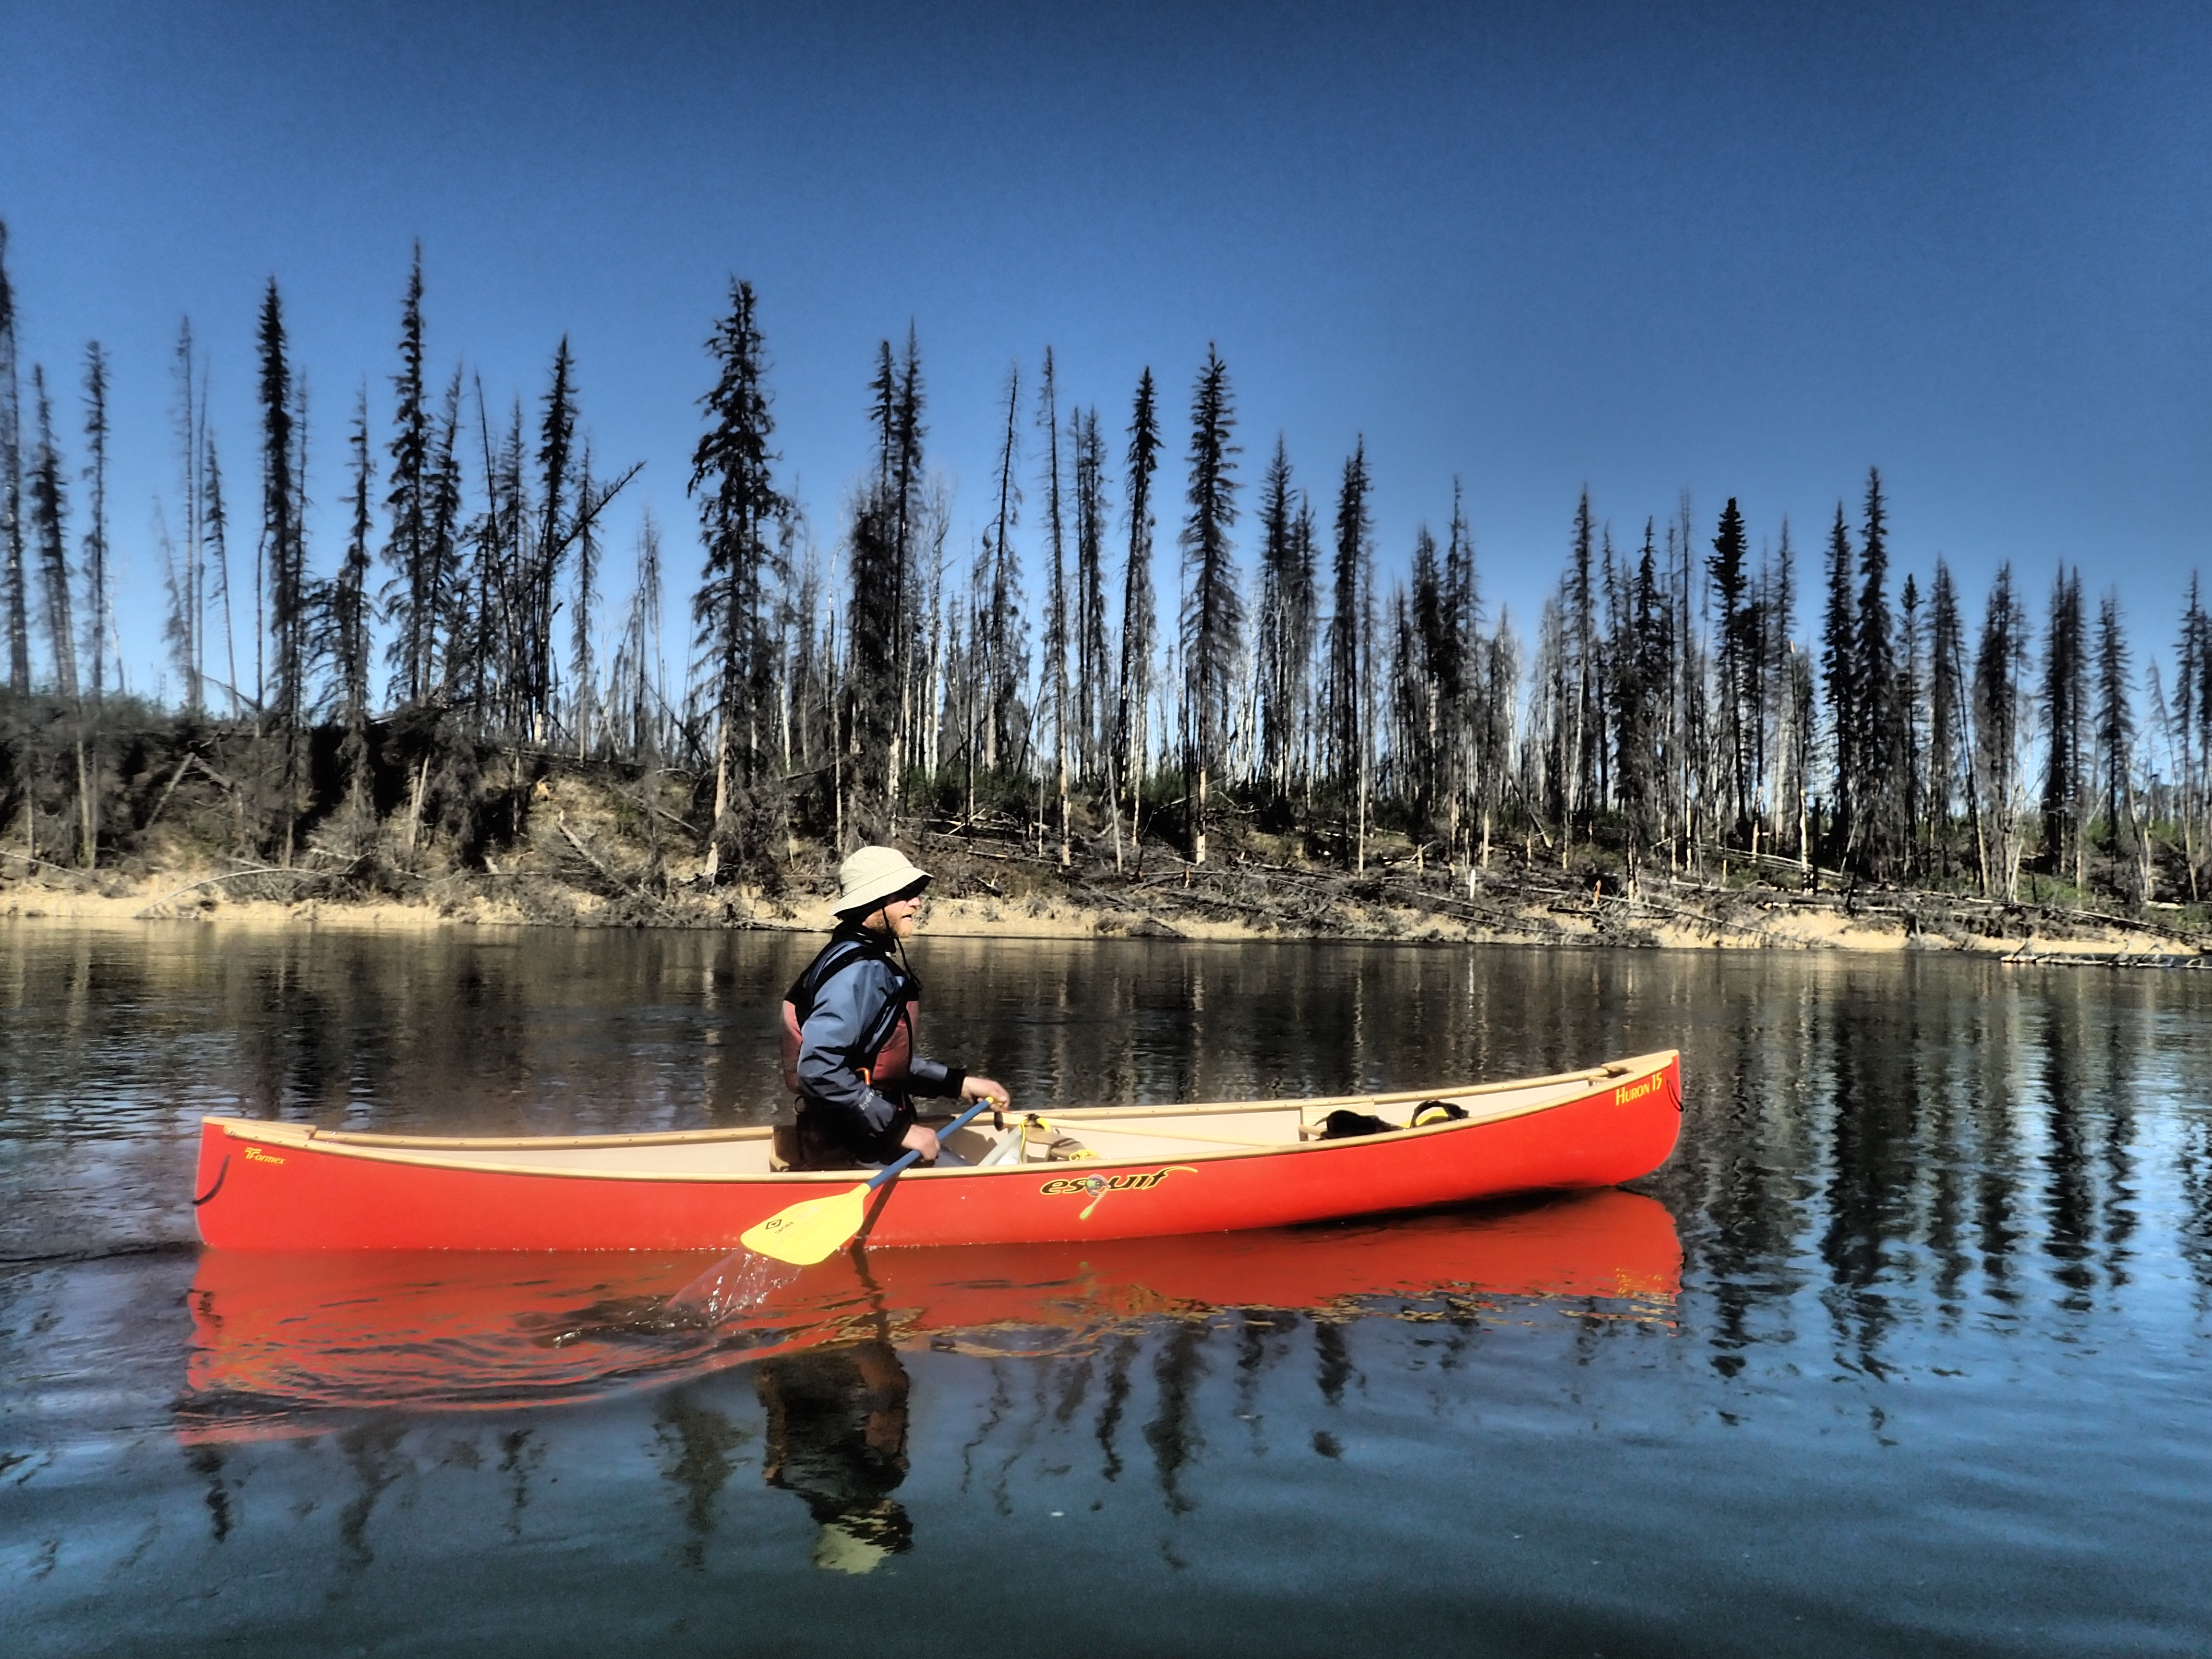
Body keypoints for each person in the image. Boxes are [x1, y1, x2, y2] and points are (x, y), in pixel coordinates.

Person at [781, 845, 1009, 1169]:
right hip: (859, 1148)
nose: (917, 902)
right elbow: (820, 1069)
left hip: (861, 1139)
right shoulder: (859, 971)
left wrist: (956, 1083)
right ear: (872, 902)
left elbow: (877, 1061)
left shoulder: (854, 958)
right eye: (904, 894)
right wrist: (898, 1128)